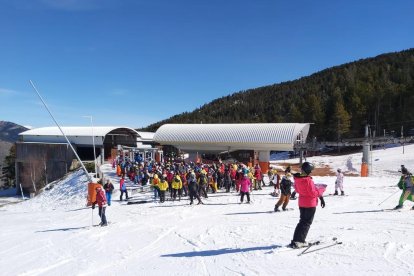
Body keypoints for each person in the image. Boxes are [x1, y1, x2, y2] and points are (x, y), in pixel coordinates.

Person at [290, 162, 325, 249]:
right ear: (308, 170)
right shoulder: (308, 180)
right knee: (306, 223)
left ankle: (296, 240)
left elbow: (298, 190)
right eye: (311, 170)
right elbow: (313, 193)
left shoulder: (297, 179)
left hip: (302, 203)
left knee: (302, 221)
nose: (311, 172)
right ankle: (300, 241)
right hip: (310, 203)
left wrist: (320, 197)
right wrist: (321, 190)